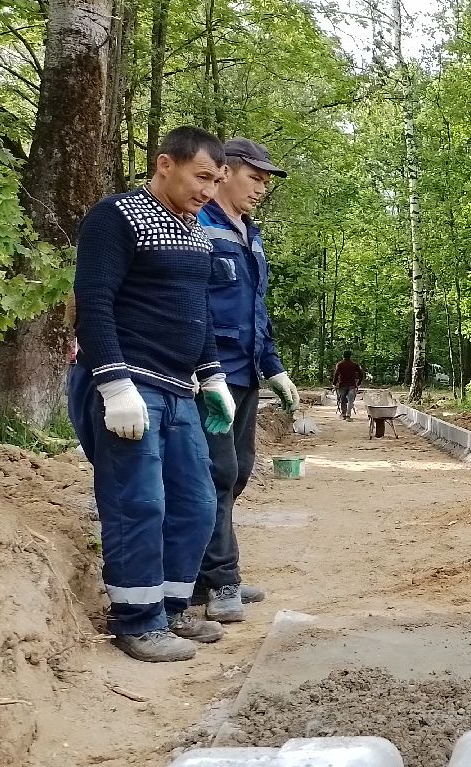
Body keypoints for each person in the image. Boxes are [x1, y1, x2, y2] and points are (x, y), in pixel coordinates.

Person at [68, 126, 238, 663]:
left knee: (196, 502)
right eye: (201, 177)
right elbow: (93, 302)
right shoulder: (118, 217)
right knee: (138, 502)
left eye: (216, 181)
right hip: (129, 384)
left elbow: (198, 313)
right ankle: (137, 621)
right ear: (165, 164)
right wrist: (114, 384)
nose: (209, 191)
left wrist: (211, 376)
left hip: (178, 388)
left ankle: (171, 607)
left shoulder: (193, 232)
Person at [192, 138, 298, 624]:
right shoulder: (198, 226)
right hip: (210, 376)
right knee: (214, 474)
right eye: (255, 178)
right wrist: (202, 369)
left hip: (245, 374)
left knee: (235, 474)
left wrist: (272, 365)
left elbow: (256, 311)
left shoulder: (248, 234)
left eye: (266, 182)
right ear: (225, 173)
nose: (262, 189)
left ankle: (199, 573)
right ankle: (221, 580)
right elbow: (192, 308)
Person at [332, 351, 365, 419]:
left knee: (342, 399)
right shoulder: (354, 364)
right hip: (352, 385)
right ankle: (348, 415)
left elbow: (336, 374)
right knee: (351, 400)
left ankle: (343, 414)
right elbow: (361, 374)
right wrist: (359, 383)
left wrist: (334, 383)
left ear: (343, 356)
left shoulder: (340, 364)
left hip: (342, 384)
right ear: (350, 356)